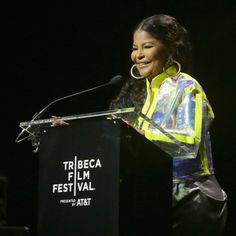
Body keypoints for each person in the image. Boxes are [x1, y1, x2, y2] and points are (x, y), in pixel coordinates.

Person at [109, 14, 227, 235]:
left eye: (147, 46)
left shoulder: (186, 87)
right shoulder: (145, 95)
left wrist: (137, 135)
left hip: (191, 198)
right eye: (135, 48)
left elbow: (187, 143)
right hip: (157, 197)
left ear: (168, 49)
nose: (138, 55)